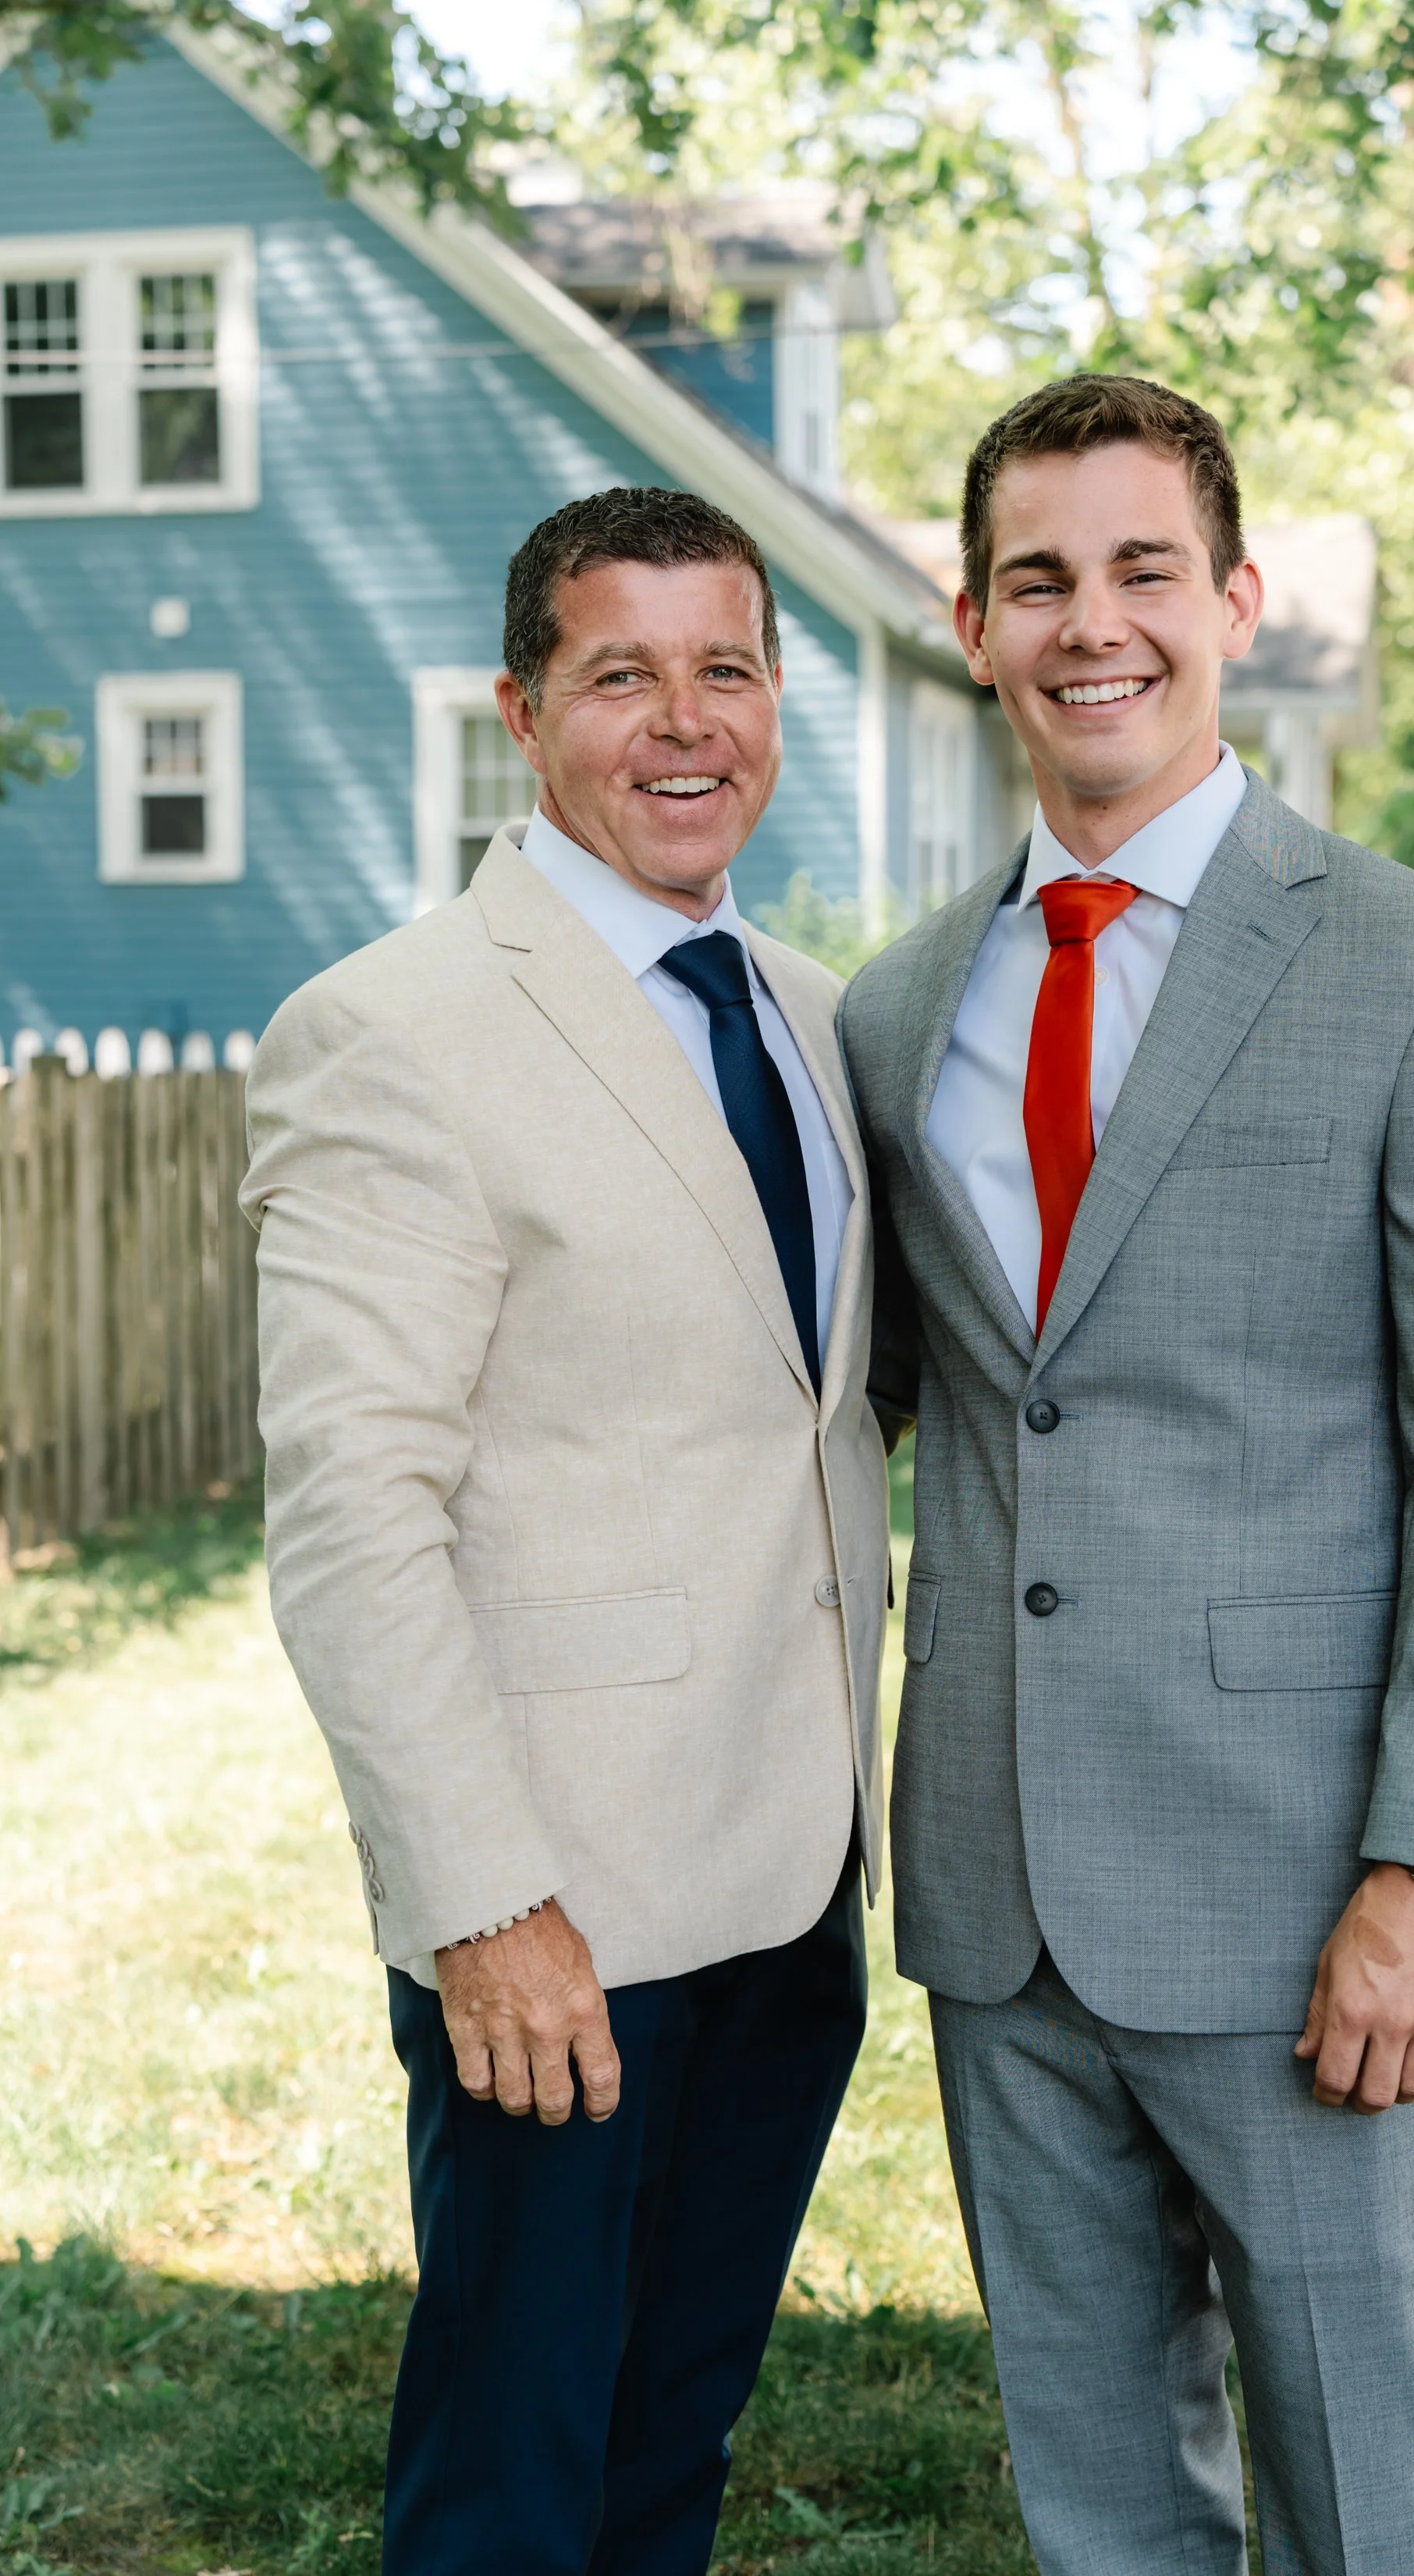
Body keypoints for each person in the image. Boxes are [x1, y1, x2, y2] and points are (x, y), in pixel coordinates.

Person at [840, 375, 1414, 2575]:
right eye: (1039, 579)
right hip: (998, 1904)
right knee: (1099, 2511)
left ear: (1237, 602)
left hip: (1312, 1911)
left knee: (1373, 2507)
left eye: (1143, 570)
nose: (1095, 624)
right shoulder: (903, 1014)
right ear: (975, 623)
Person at [242, 487, 890, 2576]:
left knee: (667, 2445)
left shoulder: (803, 1010)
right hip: (565, 1923)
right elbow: (354, 1511)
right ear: (526, 713)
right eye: (624, 674)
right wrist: (481, 1899)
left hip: (789, 1885)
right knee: (513, 2483)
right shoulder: (397, 1030)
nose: (683, 722)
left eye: (730, 668)